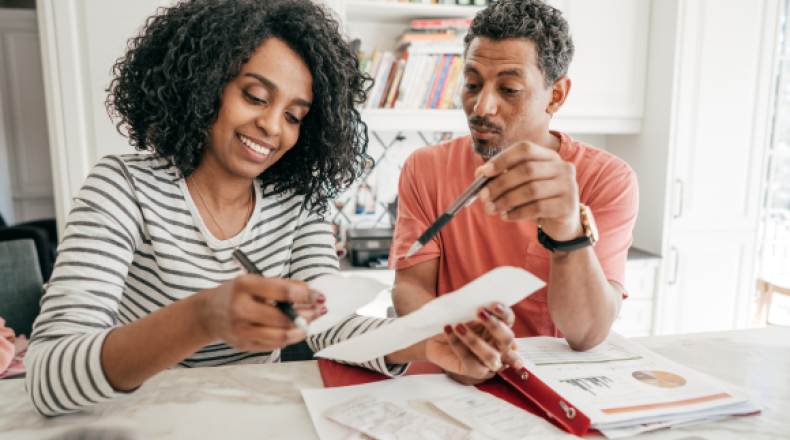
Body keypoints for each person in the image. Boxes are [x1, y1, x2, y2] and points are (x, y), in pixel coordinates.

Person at [25, 0, 521, 416]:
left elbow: (332, 328)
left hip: (255, 416)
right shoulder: (123, 187)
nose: (272, 127)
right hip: (140, 420)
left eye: (294, 115)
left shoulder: (296, 204)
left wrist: (430, 341)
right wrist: (201, 317)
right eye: (254, 96)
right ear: (204, 84)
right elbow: (48, 376)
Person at [390, 0, 639, 385]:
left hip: (546, 385)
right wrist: (455, 343)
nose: (481, 105)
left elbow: (587, 333)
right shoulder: (425, 167)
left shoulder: (606, 179)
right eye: (472, 84)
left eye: (509, 89)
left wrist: (567, 227)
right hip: (448, 376)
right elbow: (411, 286)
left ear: (555, 96)